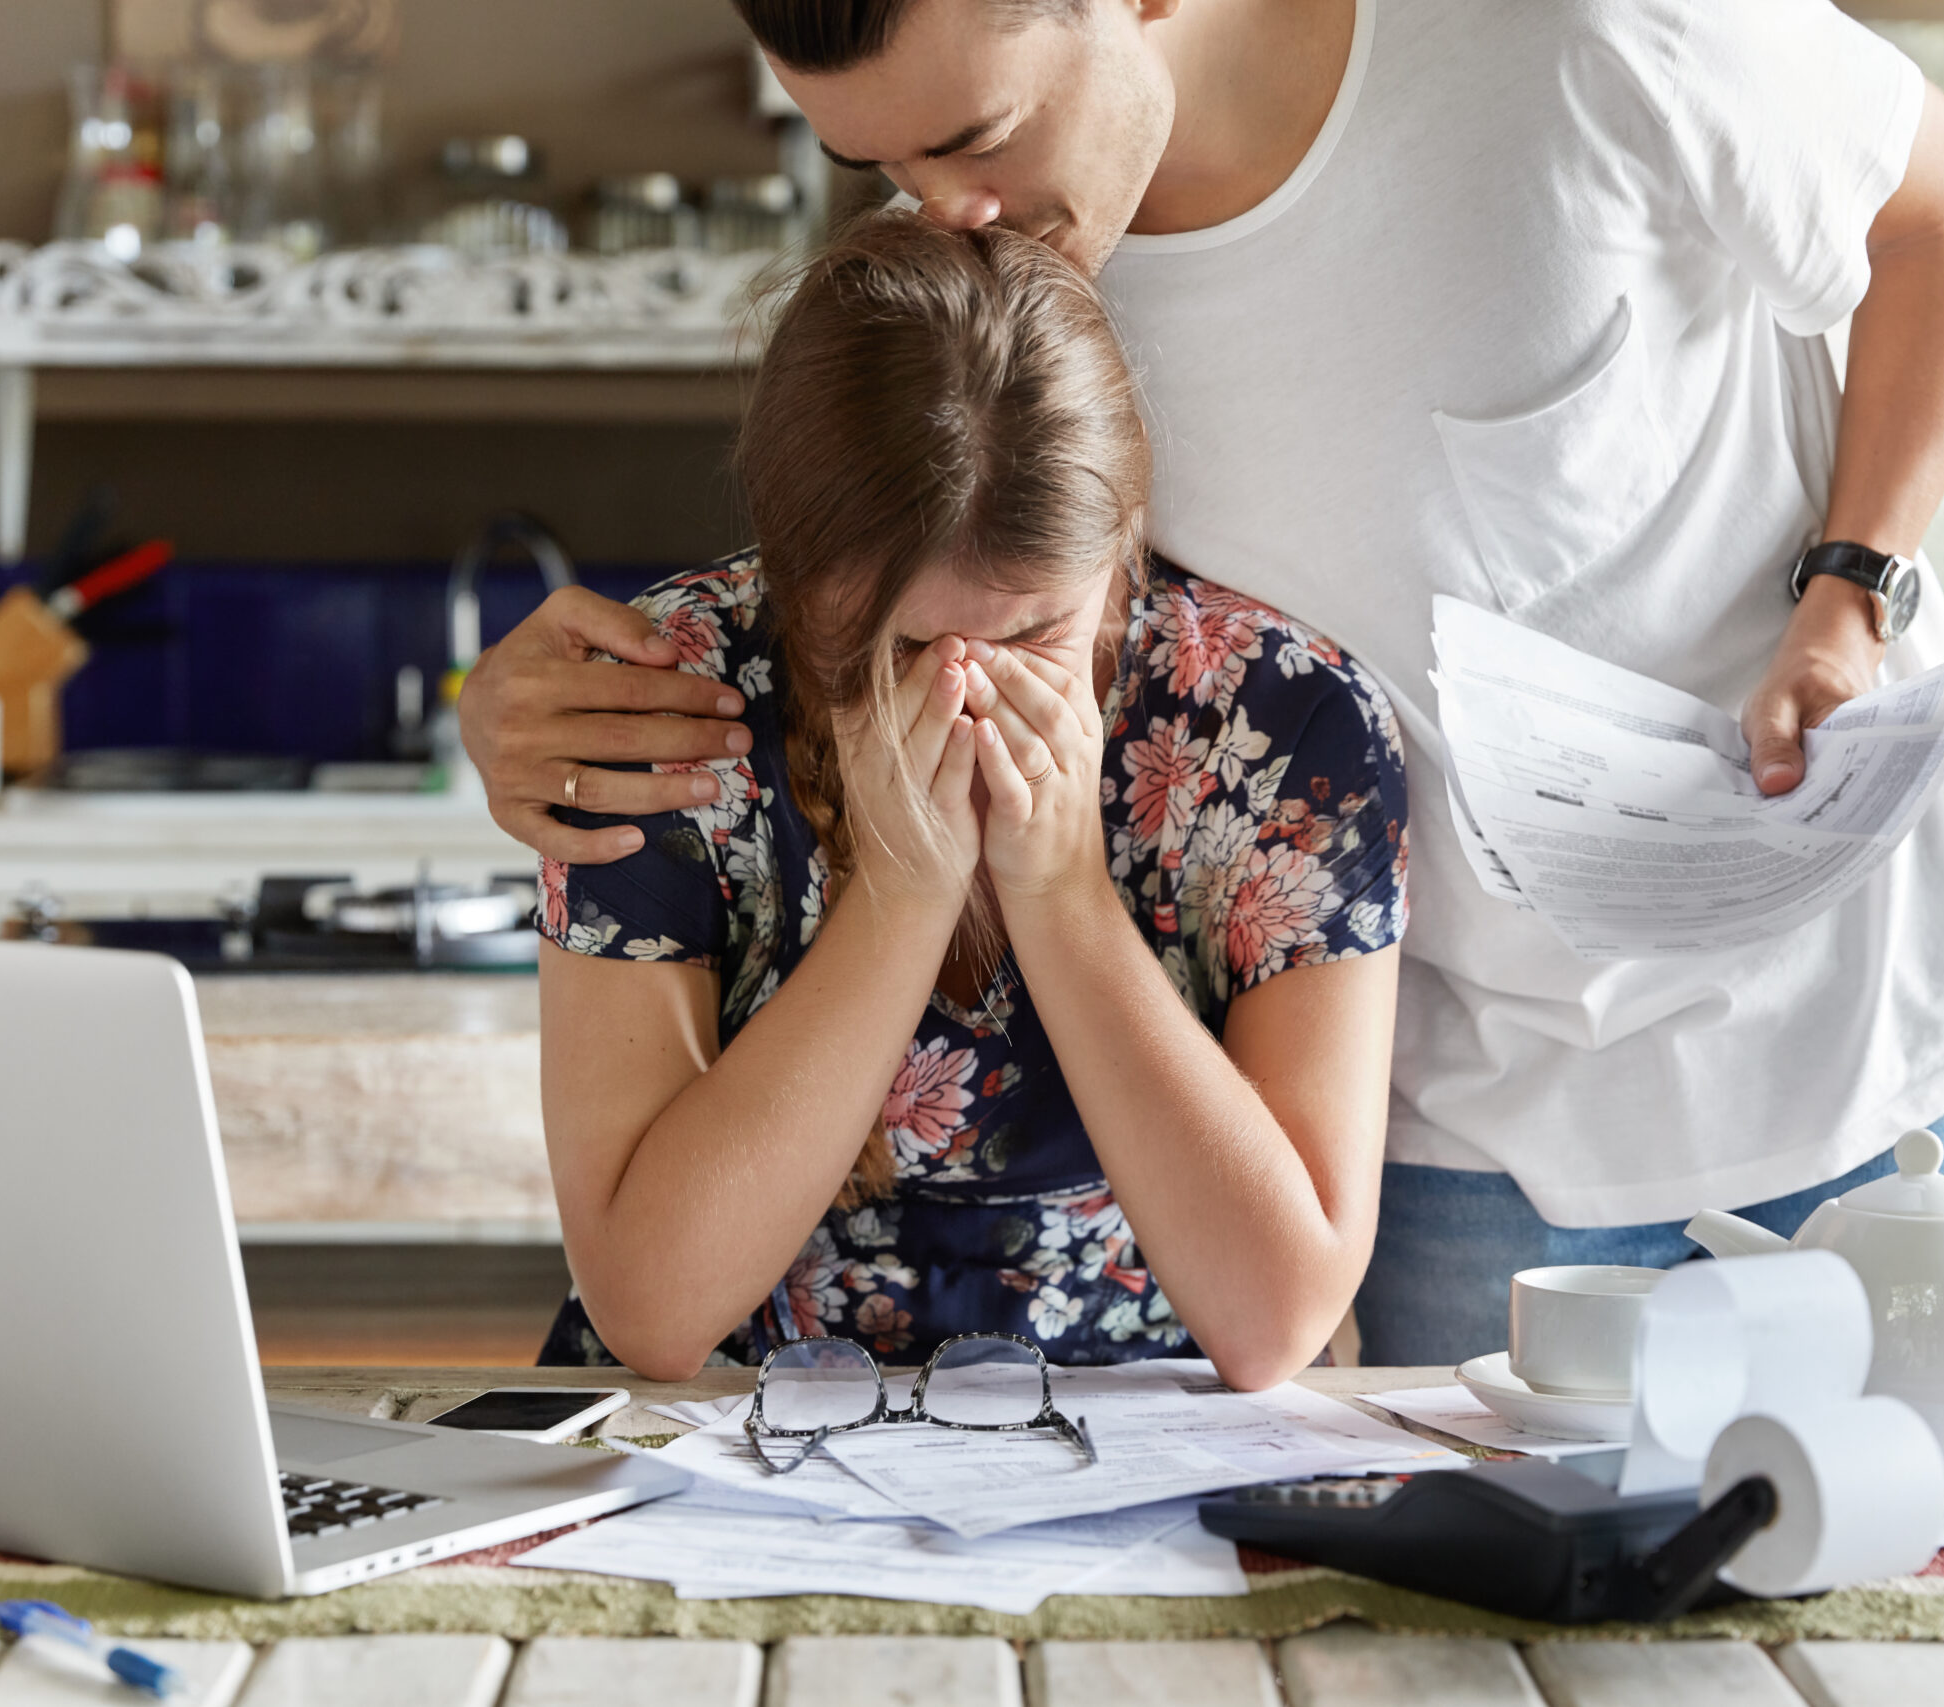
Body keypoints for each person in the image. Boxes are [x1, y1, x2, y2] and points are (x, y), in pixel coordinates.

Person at [473, 0, 1944, 1364]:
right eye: (880, 165)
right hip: (1470, 1097)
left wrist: (1855, 590)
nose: (939, 212)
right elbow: (877, 537)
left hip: (1859, 1005)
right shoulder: (1032, 276)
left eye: (976, 135)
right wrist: (521, 710)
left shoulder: (1579, 39)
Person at [533, 214, 1409, 1386]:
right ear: (792, 579)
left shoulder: (1285, 723)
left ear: (1118, 543)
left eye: (1036, 631)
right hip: (729, 1416)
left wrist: (1062, 894)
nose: (965, 688)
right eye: (898, 644)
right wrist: (899, 896)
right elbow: (650, 1312)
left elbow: (1274, 1319)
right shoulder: (664, 704)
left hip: (1130, 1418)